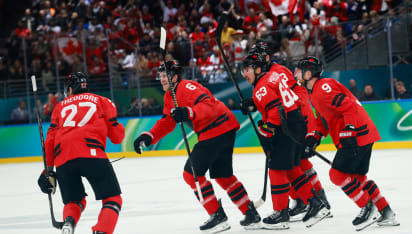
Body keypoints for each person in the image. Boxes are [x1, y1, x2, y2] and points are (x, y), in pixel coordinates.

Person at [133, 61, 261, 233]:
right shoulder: (169, 97)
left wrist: (189, 112)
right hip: (222, 129)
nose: (162, 79)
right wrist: (149, 136)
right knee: (223, 176)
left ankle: (217, 215)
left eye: (165, 76)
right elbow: (167, 121)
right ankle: (250, 213)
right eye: (160, 76)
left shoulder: (187, 87)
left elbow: (208, 105)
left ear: (175, 77)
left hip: (216, 128)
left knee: (191, 174)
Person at [296, 56, 400, 231]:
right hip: (363, 134)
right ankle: (387, 213)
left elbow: (349, 107)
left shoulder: (322, 88)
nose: (296, 74)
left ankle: (368, 207)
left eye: (299, 71)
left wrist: (349, 131)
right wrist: (315, 138)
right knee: (358, 177)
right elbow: (324, 119)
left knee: (337, 175)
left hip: (356, 136)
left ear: (308, 73)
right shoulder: (314, 92)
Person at [239, 49, 329, 230]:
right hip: (294, 122)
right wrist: (254, 102)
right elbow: (279, 98)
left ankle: (281, 213)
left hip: (286, 126)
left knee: (277, 169)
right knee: (292, 168)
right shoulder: (272, 77)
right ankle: (314, 201)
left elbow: (274, 111)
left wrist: (267, 131)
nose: (244, 74)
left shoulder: (262, 85)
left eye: (247, 69)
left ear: (258, 69)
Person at [37, 72, 125, 234]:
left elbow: (49, 142)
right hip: (92, 155)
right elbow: (117, 138)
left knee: (74, 201)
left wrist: (48, 171)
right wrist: (118, 127)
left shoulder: (59, 107)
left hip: (64, 159)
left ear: (69, 90)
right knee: (113, 199)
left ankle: (68, 224)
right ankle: (101, 231)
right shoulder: (102, 101)